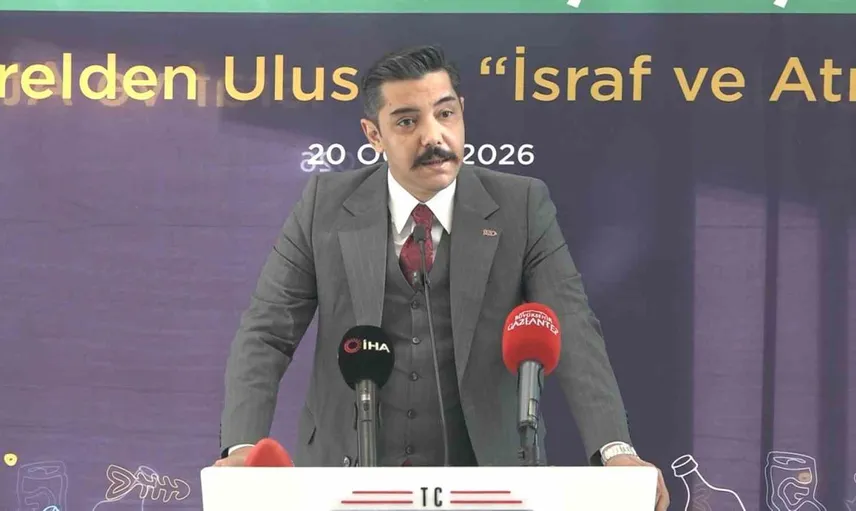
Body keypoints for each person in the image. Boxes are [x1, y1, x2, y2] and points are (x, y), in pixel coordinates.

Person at [214, 44, 669, 510]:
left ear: (462, 113)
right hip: (346, 478)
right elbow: (267, 333)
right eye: (407, 122)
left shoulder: (521, 207)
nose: (433, 136)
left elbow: (572, 329)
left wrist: (615, 449)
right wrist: (242, 446)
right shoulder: (324, 205)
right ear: (374, 134)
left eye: (445, 113)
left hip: (488, 483)